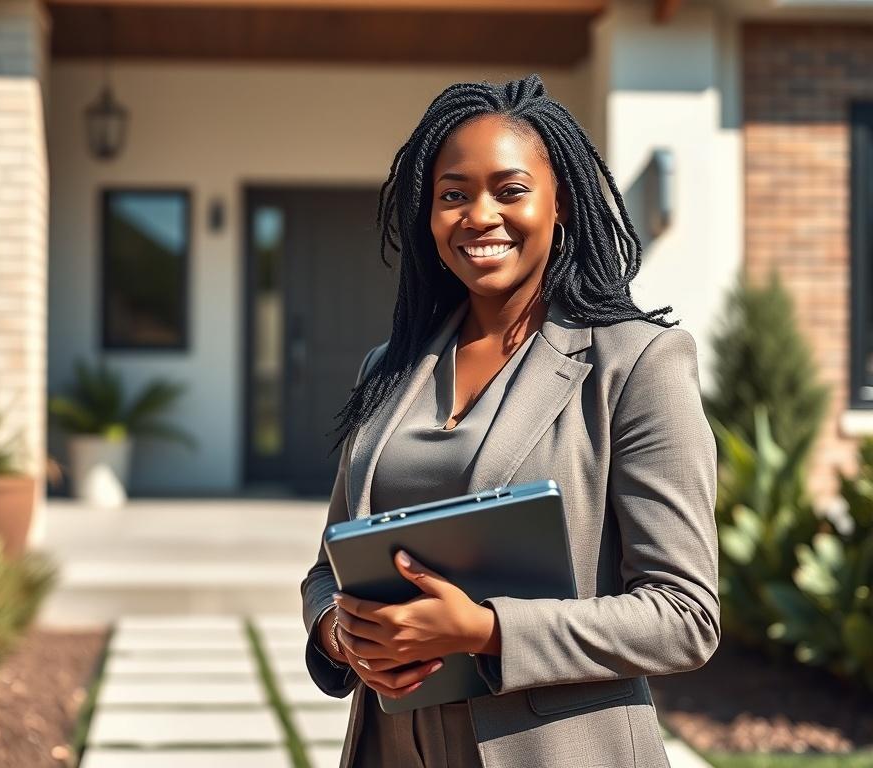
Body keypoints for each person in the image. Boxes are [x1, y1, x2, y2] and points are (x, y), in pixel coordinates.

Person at [300, 73, 719, 768]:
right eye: (453, 195)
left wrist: (487, 630)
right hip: (391, 749)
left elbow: (684, 617)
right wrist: (342, 636)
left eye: (511, 190)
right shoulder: (389, 369)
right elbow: (328, 569)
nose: (479, 216)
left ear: (561, 205)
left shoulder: (636, 365)